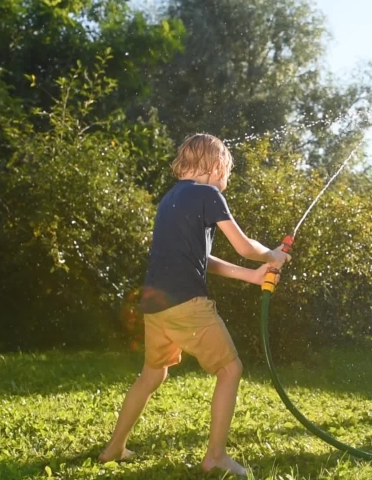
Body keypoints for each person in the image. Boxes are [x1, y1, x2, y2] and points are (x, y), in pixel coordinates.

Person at [99, 133, 291, 476]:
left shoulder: (170, 199)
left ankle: (114, 447)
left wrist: (251, 276)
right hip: (188, 303)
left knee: (152, 374)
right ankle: (215, 456)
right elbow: (244, 246)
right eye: (227, 171)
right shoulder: (209, 194)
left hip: (156, 307)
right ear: (216, 167)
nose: (227, 179)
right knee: (230, 370)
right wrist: (272, 255)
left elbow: (202, 257)